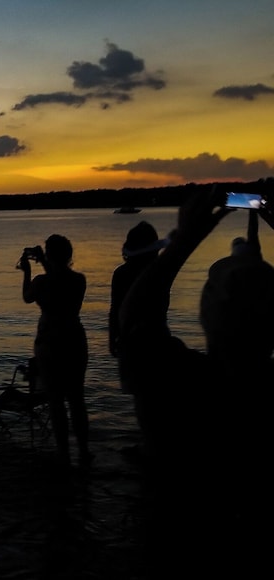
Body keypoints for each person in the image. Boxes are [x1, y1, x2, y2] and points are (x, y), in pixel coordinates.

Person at [118, 188, 274, 575]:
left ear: (206, 311)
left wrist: (186, 240)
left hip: (185, 547)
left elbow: (134, 318)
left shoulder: (183, 383)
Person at [19, 235, 91, 466]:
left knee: (56, 402)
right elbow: (60, 281)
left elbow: (27, 297)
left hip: (50, 343)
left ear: (49, 255)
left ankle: (64, 454)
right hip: (75, 340)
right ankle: (84, 452)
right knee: (77, 399)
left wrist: (27, 271)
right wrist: (42, 261)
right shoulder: (78, 280)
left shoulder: (42, 282)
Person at [109, 221, 163, 358]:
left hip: (129, 339)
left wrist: (112, 337)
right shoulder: (159, 273)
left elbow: (115, 309)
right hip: (157, 337)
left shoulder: (121, 273)